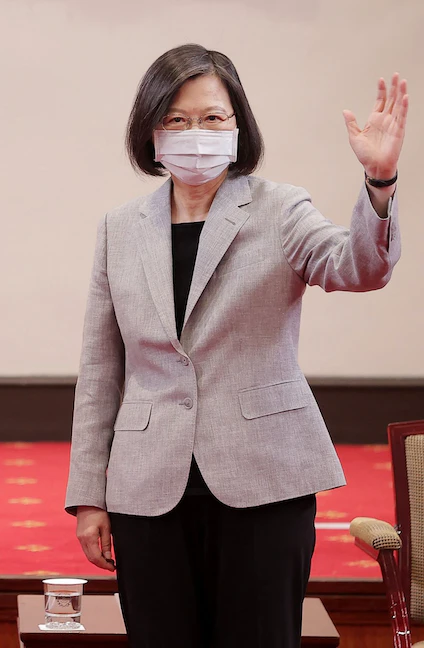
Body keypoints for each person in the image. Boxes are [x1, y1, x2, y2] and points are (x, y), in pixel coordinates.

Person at [65, 44, 407, 648]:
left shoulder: (281, 209)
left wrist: (379, 182)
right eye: (176, 119)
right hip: (148, 486)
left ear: (238, 125)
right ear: (150, 132)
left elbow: (358, 267)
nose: (195, 133)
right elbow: (100, 371)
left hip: (264, 479)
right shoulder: (120, 228)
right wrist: (89, 496)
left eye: (212, 117)